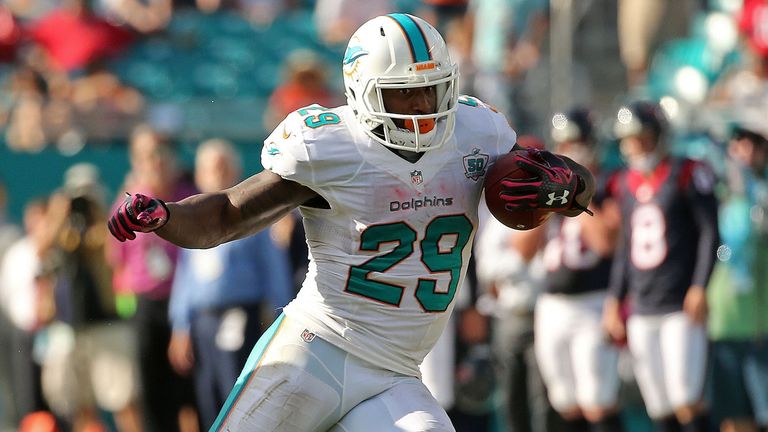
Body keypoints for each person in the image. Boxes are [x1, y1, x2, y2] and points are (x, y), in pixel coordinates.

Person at [107, 13, 595, 432]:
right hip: (315, 349)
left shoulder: (476, 133)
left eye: (433, 89)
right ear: (363, 95)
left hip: (397, 371)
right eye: (406, 95)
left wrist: (566, 186)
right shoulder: (334, 149)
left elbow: (573, 184)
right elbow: (227, 214)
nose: (425, 109)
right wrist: (167, 217)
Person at [602, 101, 719, 432]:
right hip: (642, 306)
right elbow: (625, 247)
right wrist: (615, 300)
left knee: (686, 398)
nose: (635, 145)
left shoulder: (686, 172)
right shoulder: (624, 182)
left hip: (679, 302)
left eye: (642, 137)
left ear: (658, 136)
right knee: (660, 405)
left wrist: (699, 286)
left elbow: (710, 233)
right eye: (630, 139)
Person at [167, 139, 294, 430]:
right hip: (203, 321)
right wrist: (181, 325)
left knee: (235, 392)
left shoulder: (250, 214)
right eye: (211, 168)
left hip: (238, 315)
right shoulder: (192, 219)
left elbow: (273, 269)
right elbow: (186, 277)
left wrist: (279, 318)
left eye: (223, 167)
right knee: (207, 395)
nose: (217, 174)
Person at [531, 109, 624, 432]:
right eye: (565, 142)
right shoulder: (547, 185)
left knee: (597, 399)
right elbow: (523, 249)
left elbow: (606, 242)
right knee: (565, 402)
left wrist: (575, 196)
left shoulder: (609, 183)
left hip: (593, 302)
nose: (571, 148)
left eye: (577, 141)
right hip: (552, 305)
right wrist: (541, 201)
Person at [106, 125, 198, 432]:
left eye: (160, 153)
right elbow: (116, 258)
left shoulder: (190, 195)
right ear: (136, 160)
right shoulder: (127, 202)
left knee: (189, 390)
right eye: (147, 155)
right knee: (151, 390)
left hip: (186, 304)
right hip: (146, 304)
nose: (155, 161)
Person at [707, 121, 768, 432]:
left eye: (752, 142)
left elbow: (744, 234)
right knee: (733, 419)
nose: (742, 150)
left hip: (762, 326)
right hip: (725, 323)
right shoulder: (716, 190)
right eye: (738, 142)